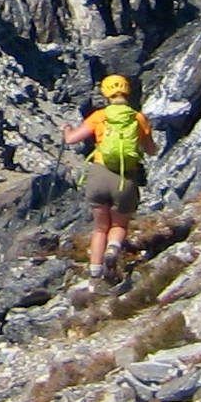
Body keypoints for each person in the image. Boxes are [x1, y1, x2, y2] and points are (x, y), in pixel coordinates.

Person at [65, 74, 152, 278]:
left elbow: (71, 139)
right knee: (119, 225)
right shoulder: (137, 118)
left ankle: (95, 274)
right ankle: (113, 248)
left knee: (100, 228)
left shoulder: (100, 116)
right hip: (124, 178)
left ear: (105, 94)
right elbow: (151, 150)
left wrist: (67, 129)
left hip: (99, 175)